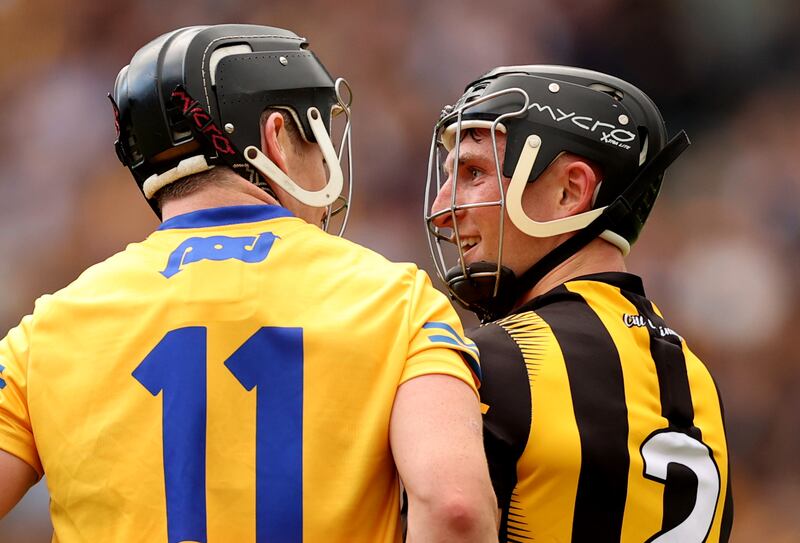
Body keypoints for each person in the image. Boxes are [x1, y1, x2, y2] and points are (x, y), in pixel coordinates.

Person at [0, 24, 498, 542]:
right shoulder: (397, 299)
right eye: (317, 137)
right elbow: (454, 508)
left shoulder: (49, 328)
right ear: (275, 137)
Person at [424, 65, 733, 542]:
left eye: (473, 173)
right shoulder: (700, 383)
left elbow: (450, 516)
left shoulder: (495, 360)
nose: (442, 208)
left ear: (570, 191)